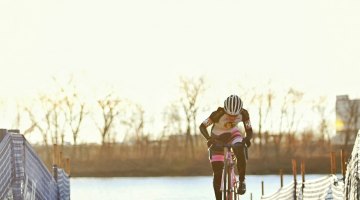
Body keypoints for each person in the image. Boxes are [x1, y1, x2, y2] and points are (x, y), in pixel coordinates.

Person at [199, 94, 253, 200]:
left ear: (240, 110)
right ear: (225, 110)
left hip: (233, 134)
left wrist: (247, 139)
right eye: (229, 115)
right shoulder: (217, 114)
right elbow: (202, 126)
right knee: (218, 172)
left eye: (235, 116)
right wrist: (209, 138)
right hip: (217, 137)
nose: (232, 118)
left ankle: (242, 181)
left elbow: (249, 130)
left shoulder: (244, 113)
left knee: (239, 147)